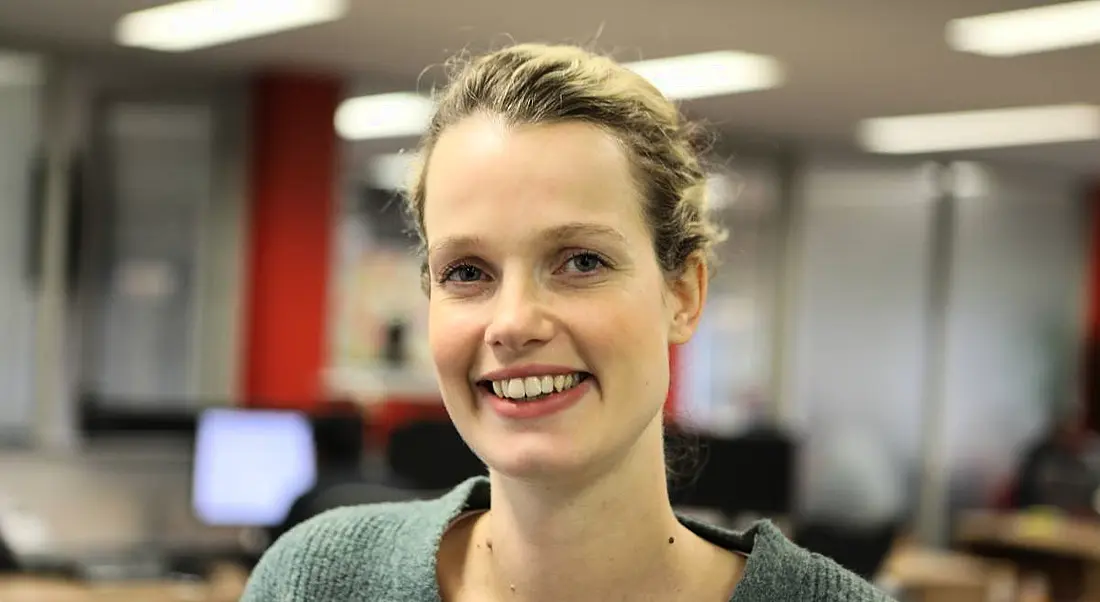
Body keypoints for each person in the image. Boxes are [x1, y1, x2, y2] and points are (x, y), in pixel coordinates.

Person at [242, 43, 892, 602]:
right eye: (467, 272)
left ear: (684, 295)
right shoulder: (317, 581)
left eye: (581, 261)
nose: (514, 322)